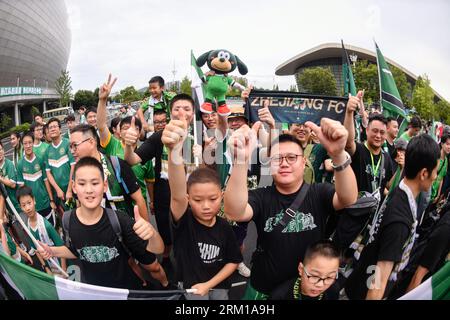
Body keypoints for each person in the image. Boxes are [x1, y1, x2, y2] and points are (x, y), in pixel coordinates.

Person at [224, 119, 358, 299]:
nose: (284, 163)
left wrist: (338, 154)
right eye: (277, 158)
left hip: (307, 290)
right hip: (264, 289)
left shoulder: (318, 193)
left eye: (291, 158)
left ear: (304, 162)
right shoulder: (261, 196)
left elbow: (348, 198)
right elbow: (235, 212)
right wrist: (240, 160)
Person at [37, 157, 167, 290]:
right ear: (74, 187)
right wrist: (51, 251)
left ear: (105, 186)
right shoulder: (68, 220)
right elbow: (76, 251)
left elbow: (159, 249)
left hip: (124, 290)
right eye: (82, 184)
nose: (89, 190)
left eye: (95, 183)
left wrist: (151, 233)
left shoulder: (119, 220)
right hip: (95, 292)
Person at [344, 134, 440, 300]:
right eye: (435, 171)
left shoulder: (398, 192)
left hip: (358, 280)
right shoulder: (401, 221)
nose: (436, 176)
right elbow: (377, 284)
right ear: (424, 173)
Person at [164, 116, 242, 299]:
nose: (206, 206)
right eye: (198, 200)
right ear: (188, 199)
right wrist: (174, 150)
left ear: (222, 196)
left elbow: (233, 260)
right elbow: (176, 193)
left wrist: (209, 285)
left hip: (219, 287)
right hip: (192, 289)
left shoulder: (224, 226)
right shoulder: (184, 222)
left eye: (213, 199)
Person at [124, 93, 198, 270]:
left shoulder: (200, 136)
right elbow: (132, 160)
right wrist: (128, 145)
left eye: (187, 108)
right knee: (165, 228)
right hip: (164, 190)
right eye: (177, 108)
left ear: (193, 113)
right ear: (170, 112)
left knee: (191, 229)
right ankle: (166, 257)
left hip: (191, 191)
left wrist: (203, 156)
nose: (182, 112)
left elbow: (208, 173)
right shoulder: (159, 137)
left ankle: (188, 260)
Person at [96, 75, 153, 217]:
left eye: (134, 128)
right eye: (125, 127)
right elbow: (102, 126)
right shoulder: (112, 145)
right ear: (119, 132)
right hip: (119, 206)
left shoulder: (145, 152)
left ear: (140, 132)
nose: (129, 131)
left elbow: (150, 181)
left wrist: (152, 201)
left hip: (139, 205)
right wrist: (102, 100)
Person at [69, 124, 148, 220]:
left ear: (91, 142)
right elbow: (80, 205)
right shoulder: (77, 173)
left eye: (75, 145)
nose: (72, 151)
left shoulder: (116, 164)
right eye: (70, 146)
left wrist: (145, 231)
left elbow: (139, 199)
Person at [17, 186, 67, 274]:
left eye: (29, 203)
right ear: (20, 207)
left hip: (61, 265)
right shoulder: (27, 227)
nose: (28, 208)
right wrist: (46, 267)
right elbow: (36, 250)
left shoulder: (46, 226)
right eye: (24, 205)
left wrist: (64, 271)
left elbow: (61, 247)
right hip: (50, 268)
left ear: (34, 201)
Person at [270, 240, 340, 300]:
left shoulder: (333, 289)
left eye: (329, 277)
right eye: (315, 276)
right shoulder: (280, 296)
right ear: (301, 269)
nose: (320, 285)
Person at [16, 132, 56, 225]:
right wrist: (27, 206)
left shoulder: (40, 159)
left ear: (33, 143)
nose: (28, 145)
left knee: (51, 228)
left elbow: (46, 181)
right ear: (22, 145)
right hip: (32, 207)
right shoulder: (20, 164)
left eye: (30, 142)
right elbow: (22, 189)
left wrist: (51, 200)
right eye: (25, 143)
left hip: (45, 203)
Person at [44, 118, 75, 212]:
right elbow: (48, 173)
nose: (52, 129)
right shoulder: (47, 151)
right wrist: (57, 190)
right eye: (50, 128)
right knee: (67, 217)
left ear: (60, 129)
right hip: (59, 193)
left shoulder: (68, 144)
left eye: (55, 126)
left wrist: (69, 189)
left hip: (73, 189)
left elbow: (74, 167)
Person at [0, 141, 21, 215]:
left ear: (3, 150)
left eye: (0, 149)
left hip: (17, 204)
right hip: (6, 208)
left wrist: (1, 178)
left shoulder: (9, 164)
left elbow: (13, 184)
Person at [429, 134, 449, 205]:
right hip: (427, 192)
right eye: (447, 144)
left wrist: (437, 195)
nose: (449, 147)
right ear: (442, 144)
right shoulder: (435, 157)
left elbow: (441, 178)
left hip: (433, 196)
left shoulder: (446, 160)